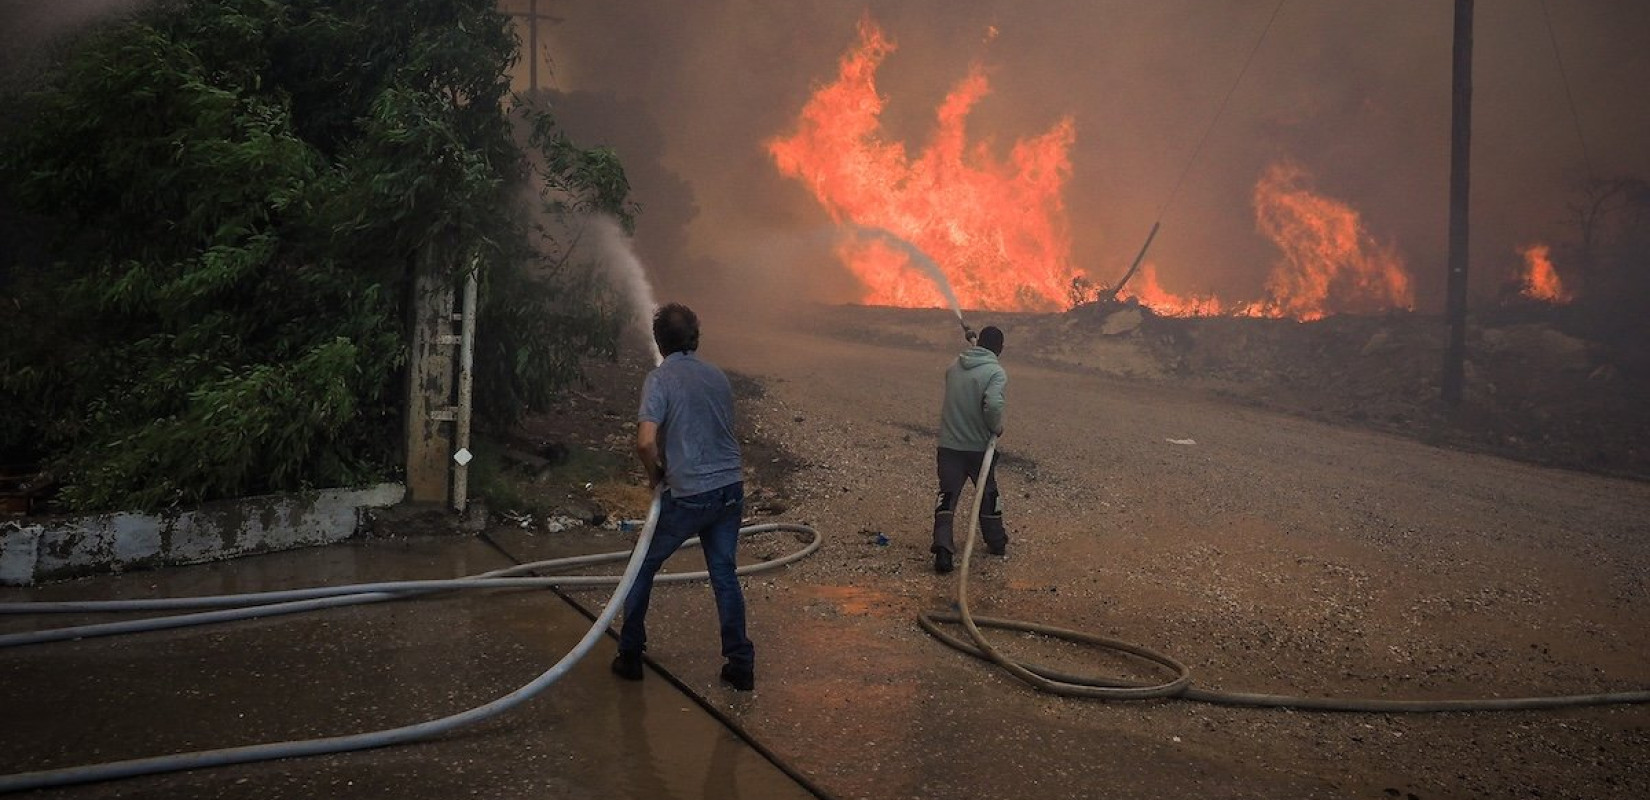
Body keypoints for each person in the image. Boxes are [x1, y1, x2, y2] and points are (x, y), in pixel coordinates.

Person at [611, 303, 756, 691]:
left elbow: (645, 443)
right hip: (729, 490)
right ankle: (741, 664)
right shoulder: (717, 376)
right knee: (724, 574)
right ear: (696, 337)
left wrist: (656, 475)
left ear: (660, 341)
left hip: (689, 494)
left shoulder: (660, 379)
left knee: (641, 566)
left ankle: (630, 654)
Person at [931, 325, 1009, 574]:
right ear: (999, 348)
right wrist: (996, 427)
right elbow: (994, 404)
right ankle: (996, 541)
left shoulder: (954, 366)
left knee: (947, 495)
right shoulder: (995, 372)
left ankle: (943, 548)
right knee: (988, 494)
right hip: (978, 448)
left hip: (949, 445)